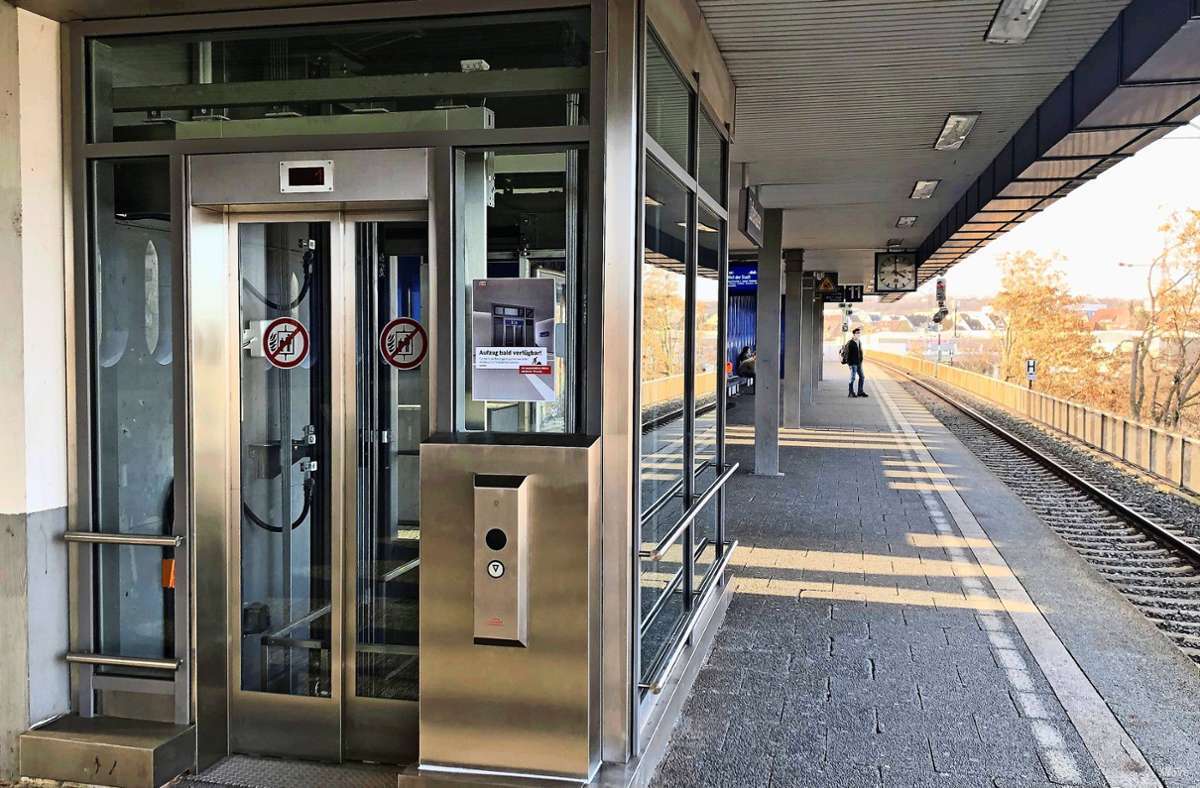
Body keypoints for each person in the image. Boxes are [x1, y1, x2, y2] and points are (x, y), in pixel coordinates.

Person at [842, 328, 867, 398]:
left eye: (859, 333)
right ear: (854, 334)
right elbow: (847, 354)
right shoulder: (850, 343)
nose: (858, 334)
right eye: (857, 333)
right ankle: (851, 392)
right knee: (852, 378)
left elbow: (860, 352)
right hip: (853, 363)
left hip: (859, 363)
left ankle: (860, 391)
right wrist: (849, 364)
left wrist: (861, 360)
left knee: (862, 377)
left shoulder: (859, 342)